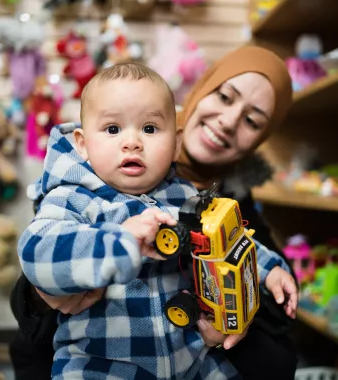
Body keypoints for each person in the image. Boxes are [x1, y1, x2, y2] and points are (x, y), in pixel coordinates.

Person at [15, 62, 297, 380]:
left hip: (189, 360)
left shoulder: (187, 196)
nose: (132, 141)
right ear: (82, 144)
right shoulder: (73, 197)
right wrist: (116, 243)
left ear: (175, 143)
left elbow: (230, 239)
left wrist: (269, 269)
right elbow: (37, 251)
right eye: (112, 129)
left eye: (149, 129)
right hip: (103, 365)